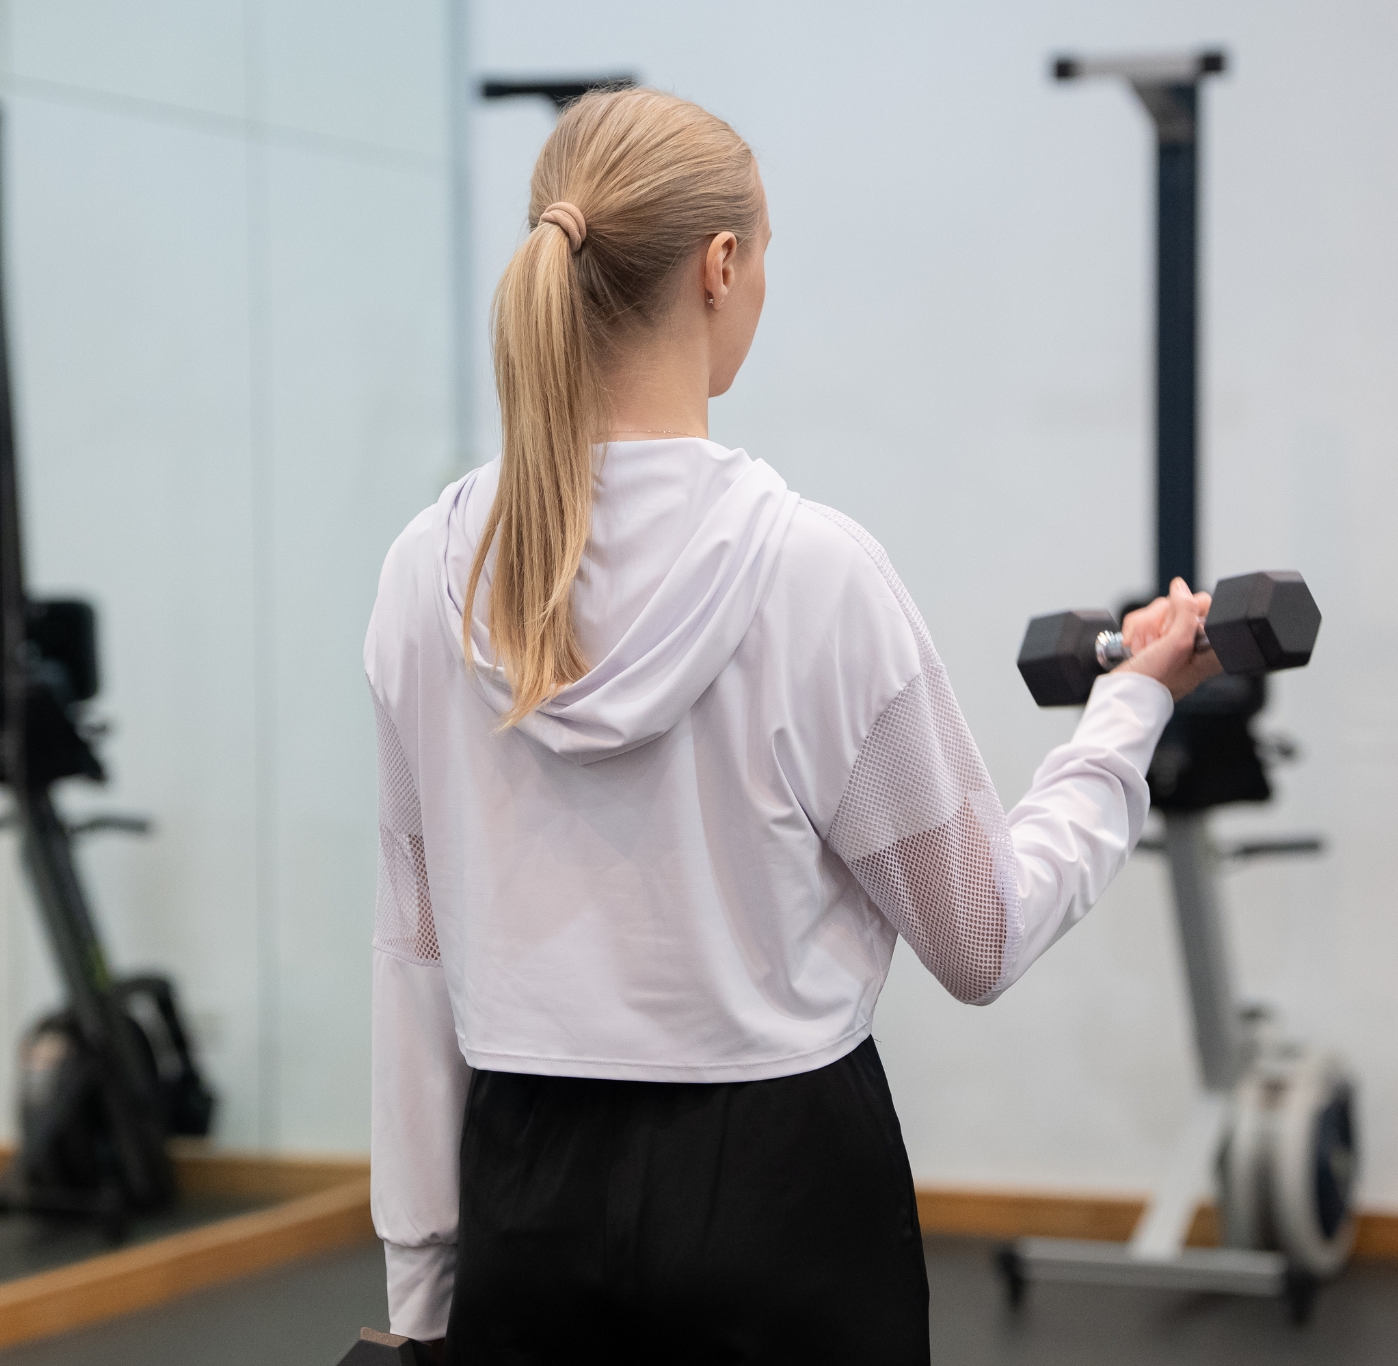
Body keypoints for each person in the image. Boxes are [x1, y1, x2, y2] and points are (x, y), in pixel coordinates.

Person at [363, 87, 1218, 1365]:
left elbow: (412, 956)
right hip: (780, 1189)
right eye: (762, 254)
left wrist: (422, 1292)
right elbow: (980, 933)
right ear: (720, 265)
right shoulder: (815, 574)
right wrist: (1130, 707)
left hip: (522, 1194)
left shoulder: (427, 575)